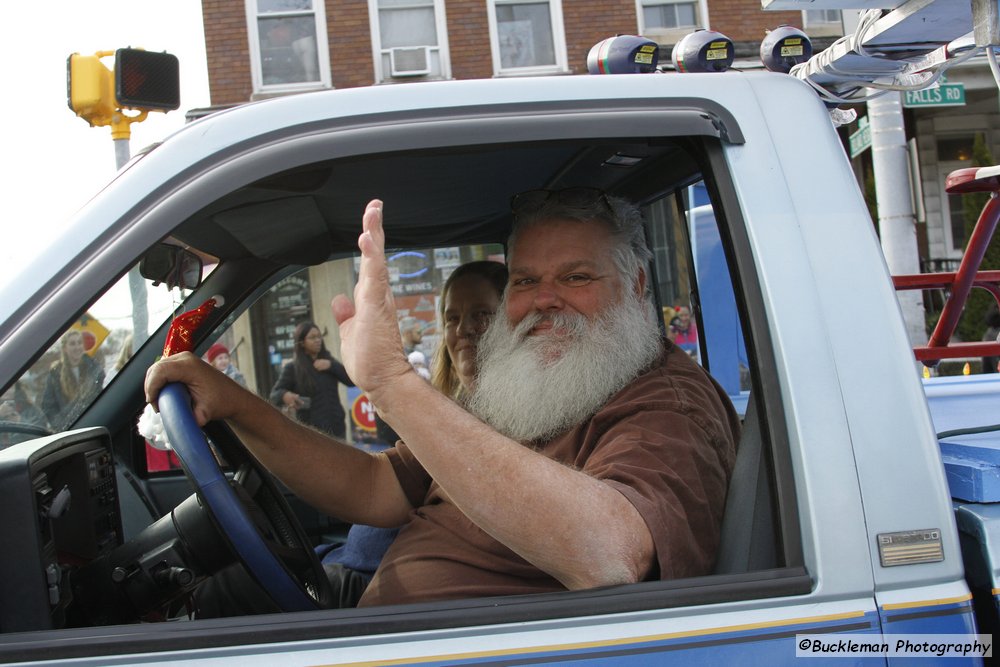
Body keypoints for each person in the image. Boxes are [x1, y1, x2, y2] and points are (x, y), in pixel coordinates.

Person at [146, 189, 738, 608]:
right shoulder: (529, 388)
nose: (543, 300)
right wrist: (235, 403)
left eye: (576, 278)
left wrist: (393, 383)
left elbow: (609, 555)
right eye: (527, 280)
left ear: (635, 285)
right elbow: (376, 489)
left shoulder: (668, 402)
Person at [193, 260, 510, 614]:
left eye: (481, 315)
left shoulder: (514, 427)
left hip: (377, 594)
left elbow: (370, 484)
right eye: (452, 318)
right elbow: (373, 481)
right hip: (359, 567)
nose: (463, 330)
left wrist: (235, 405)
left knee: (217, 594)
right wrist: (234, 405)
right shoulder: (458, 415)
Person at [269, 322, 354, 439]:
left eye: (319, 336)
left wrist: (331, 366)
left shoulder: (328, 361)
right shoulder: (293, 368)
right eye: (312, 337)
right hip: (311, 432)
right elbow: (274, 395)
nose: (318, 340)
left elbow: (351, 381)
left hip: (337, 428)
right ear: (302, 342)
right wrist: (285, 395)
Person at [42, 329, 106, 429]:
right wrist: (62, 425)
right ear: (64, 348)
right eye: (72, 344)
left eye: (79, 343)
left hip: (95, 424)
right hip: (70, 428)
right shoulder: (55, 374)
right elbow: (48, 406)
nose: (77, 347)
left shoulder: (94, 369)